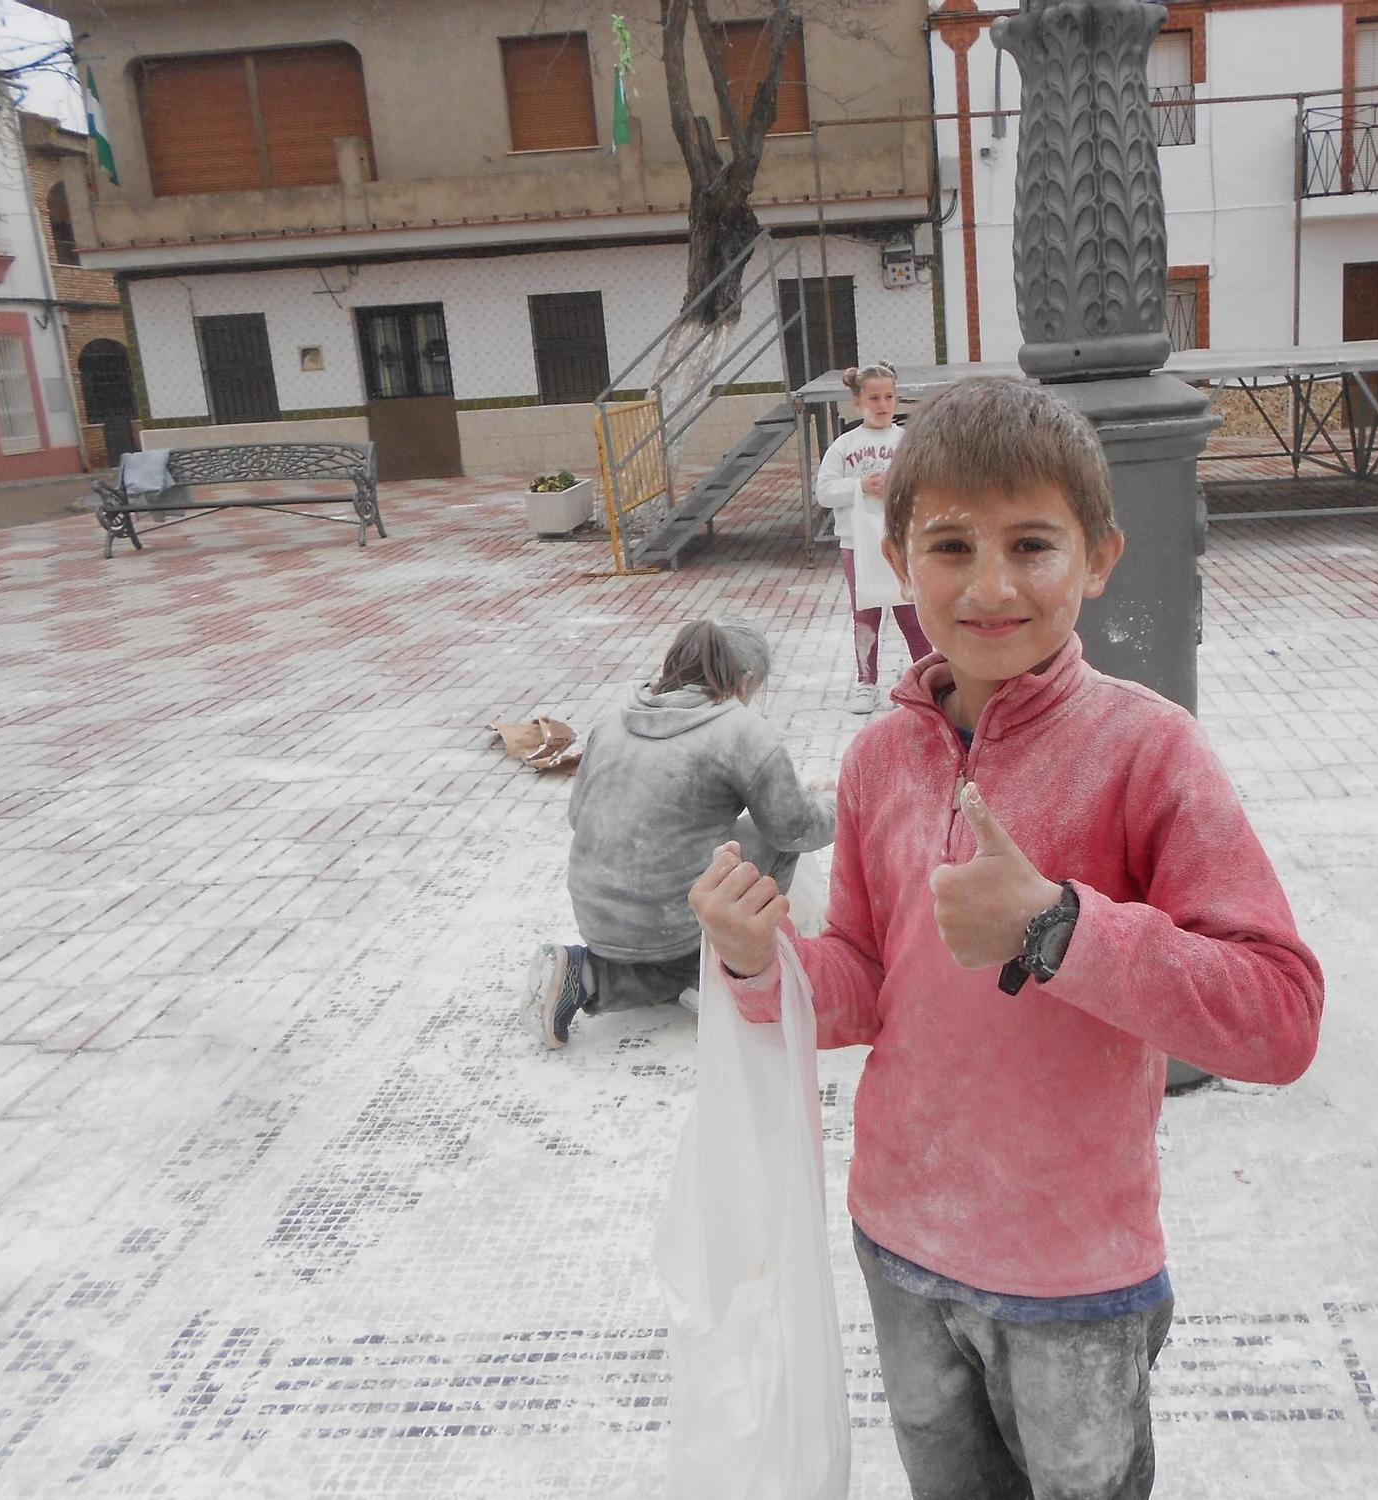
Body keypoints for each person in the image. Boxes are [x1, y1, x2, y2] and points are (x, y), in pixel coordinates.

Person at [690, 379, 1325, 1500]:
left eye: (1031, 544)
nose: (988, 586)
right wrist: (762, 961)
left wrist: (1054, 926)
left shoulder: (1146, 753)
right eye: (948, 546)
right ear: (896, 557)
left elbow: (1276, 1018)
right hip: (899, 1241)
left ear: (1098, 556)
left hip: (1071, 1275)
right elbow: (867, 983)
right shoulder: (881, 759)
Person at [524, 619, 834, 1050]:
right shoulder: (739, 730)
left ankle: (589, 974)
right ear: (744, 681)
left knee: (669, 948)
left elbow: (578, 816)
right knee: (774, 838)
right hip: (674, 920)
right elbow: (797, 828)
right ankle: (731, 966)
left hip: (598, 914)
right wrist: (831, 802)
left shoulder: (613, 719)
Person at [814, 359, 935, 714]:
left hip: (901, 543)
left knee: (912, 612)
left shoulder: (908, 442)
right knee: (866, 613)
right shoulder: (844, 446)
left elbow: (926, 485)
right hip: (858, 544)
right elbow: (824, 491)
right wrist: (860, 487)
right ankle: (866, 683)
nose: (882, 405)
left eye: (889, 397)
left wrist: (896, 488)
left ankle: (926, 680)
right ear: (858, 402)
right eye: (874, 398)